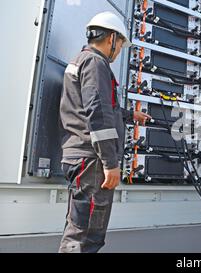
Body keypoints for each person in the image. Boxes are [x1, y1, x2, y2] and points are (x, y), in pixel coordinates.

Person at [59, 11, 151, 253]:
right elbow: (97, 113)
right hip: (92, 161)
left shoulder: (81, 60)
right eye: (120, 45)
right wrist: (110, 163)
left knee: (80, 230)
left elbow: (96, 106)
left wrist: (131, 115)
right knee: (86, 238)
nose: (119, 51)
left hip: (81, 157)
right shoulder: (96, 63)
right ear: (111, 38)